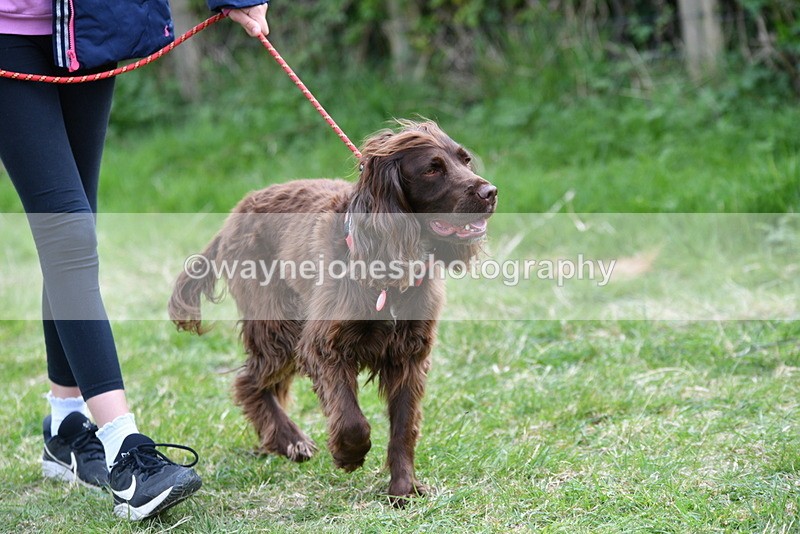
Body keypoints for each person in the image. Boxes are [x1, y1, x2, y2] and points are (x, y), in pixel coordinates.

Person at [0, 0, 270, 521]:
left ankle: (65, 427)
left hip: (90, 25)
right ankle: (125, 451)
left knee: (75, 225)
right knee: (68, 234)